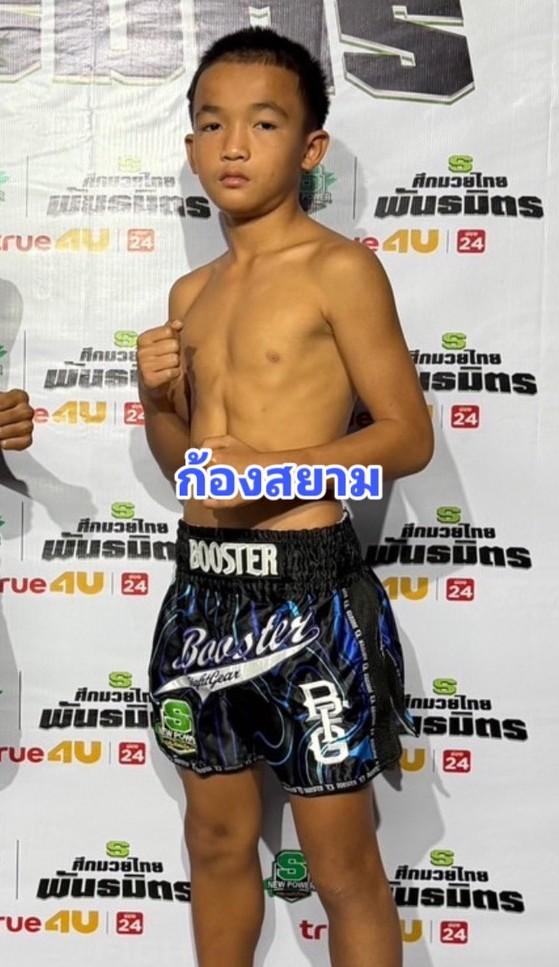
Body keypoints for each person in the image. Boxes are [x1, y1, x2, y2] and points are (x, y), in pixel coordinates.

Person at [139, 26, 433, 967]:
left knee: (340, 865)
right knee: (214, 842)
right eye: (211, 124)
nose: (233, 146)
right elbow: (189, 469)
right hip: (202, 593)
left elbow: (405, 438)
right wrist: (156, 402)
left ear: (310, 149)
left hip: (307, 595)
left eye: (262, 124)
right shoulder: (189, 292)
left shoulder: (339, 268)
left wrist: (275, 469)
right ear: (190, 145)